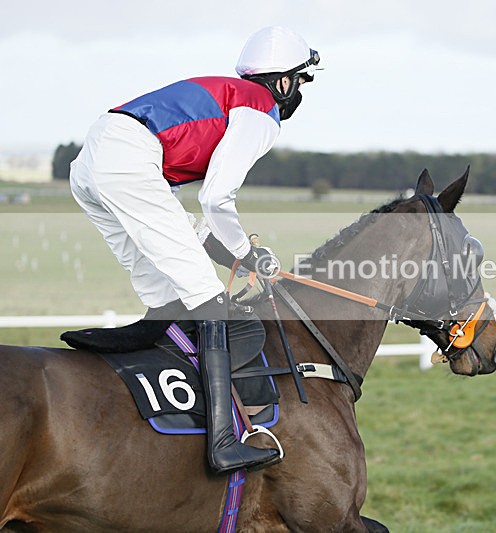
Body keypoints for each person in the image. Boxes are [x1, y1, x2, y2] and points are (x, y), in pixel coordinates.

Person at [64, 26, 319, 474]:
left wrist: (242, 256)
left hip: (94, 159)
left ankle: (149, 368)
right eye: (299, 80)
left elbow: (188, 227)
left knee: (165, 296)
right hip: (128, 158)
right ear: (282, 82)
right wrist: (244, 249)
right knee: (210, 305)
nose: (298, 91)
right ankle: (223, 443)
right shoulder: (260, 109)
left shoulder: (227, 96)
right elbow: (216, 198)